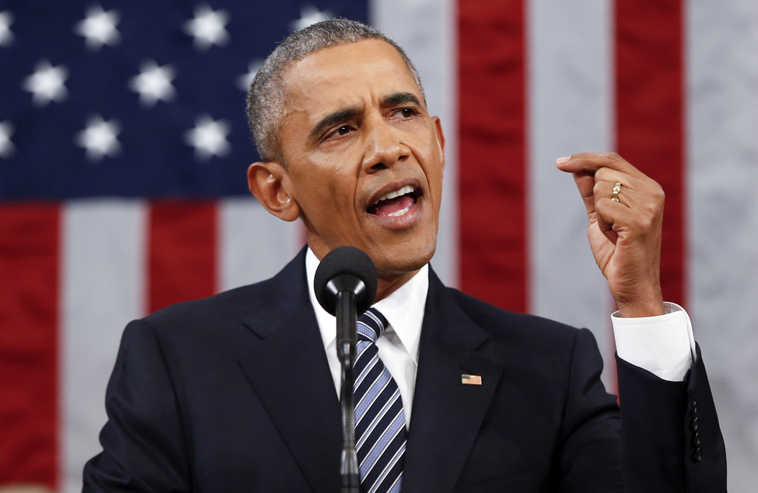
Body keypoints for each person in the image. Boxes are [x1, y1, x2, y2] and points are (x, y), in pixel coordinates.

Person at [83, 19, 726, 492]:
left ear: (439, 142)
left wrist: (639, 303)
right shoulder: (178, 359)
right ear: (276, 190)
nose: (389, 147)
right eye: (342, 129)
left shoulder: (548, 368)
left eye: (404, 113)